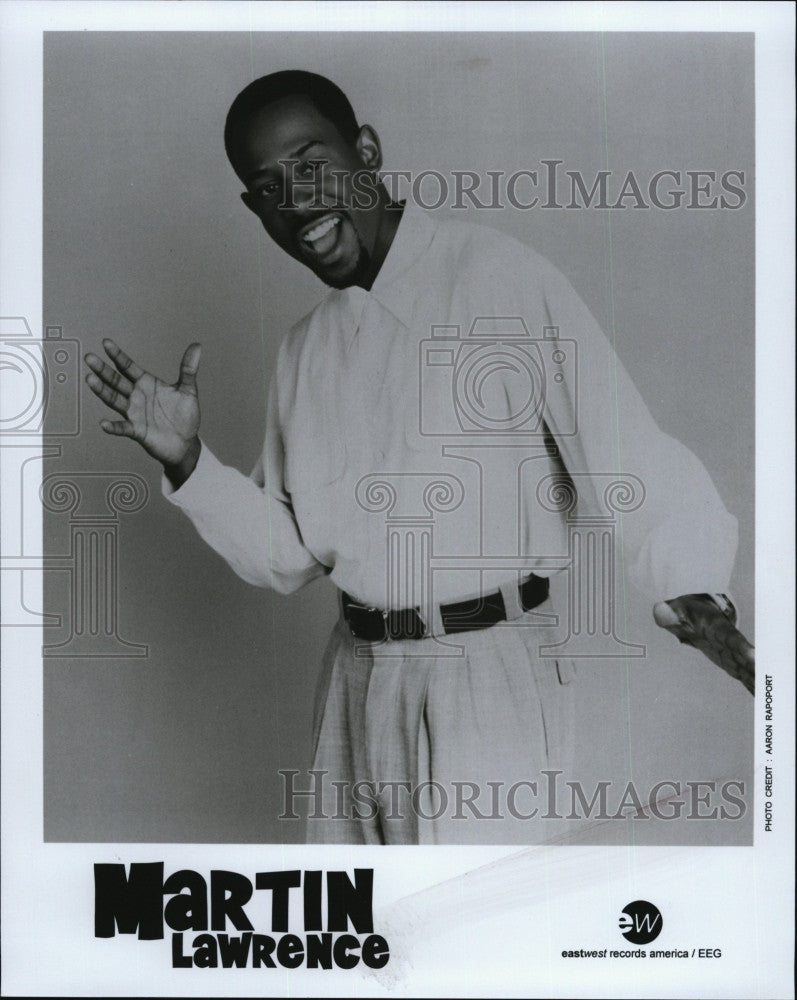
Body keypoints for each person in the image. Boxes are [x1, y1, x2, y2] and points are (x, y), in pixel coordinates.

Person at [84, 70, 753, 845]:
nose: (296, 199)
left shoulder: (499, 278)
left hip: (489, 679)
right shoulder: (303, 347)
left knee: (482, 946)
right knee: (360, 944)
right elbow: (288, 552)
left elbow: (624, 452)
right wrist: (189, 462)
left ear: (365, 149)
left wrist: (694, 585)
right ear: (252, 208)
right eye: (267, 187)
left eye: (310, 162)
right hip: (353, 677)